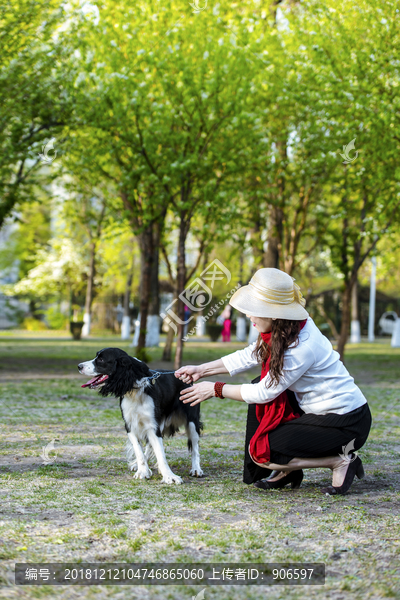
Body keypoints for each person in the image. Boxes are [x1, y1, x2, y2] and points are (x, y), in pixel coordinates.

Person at [175, 268, 371, 495]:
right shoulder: (288, 327)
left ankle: (339, 462)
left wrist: (216, 389)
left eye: (254, 311)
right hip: (319, 412)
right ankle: (289, 471)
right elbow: (252, 354)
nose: (249, 316)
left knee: (265, 452)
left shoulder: (302, 346)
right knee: (260, 387)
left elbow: (263, 393)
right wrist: (202, 369)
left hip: (346, 423)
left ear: (275, 314)